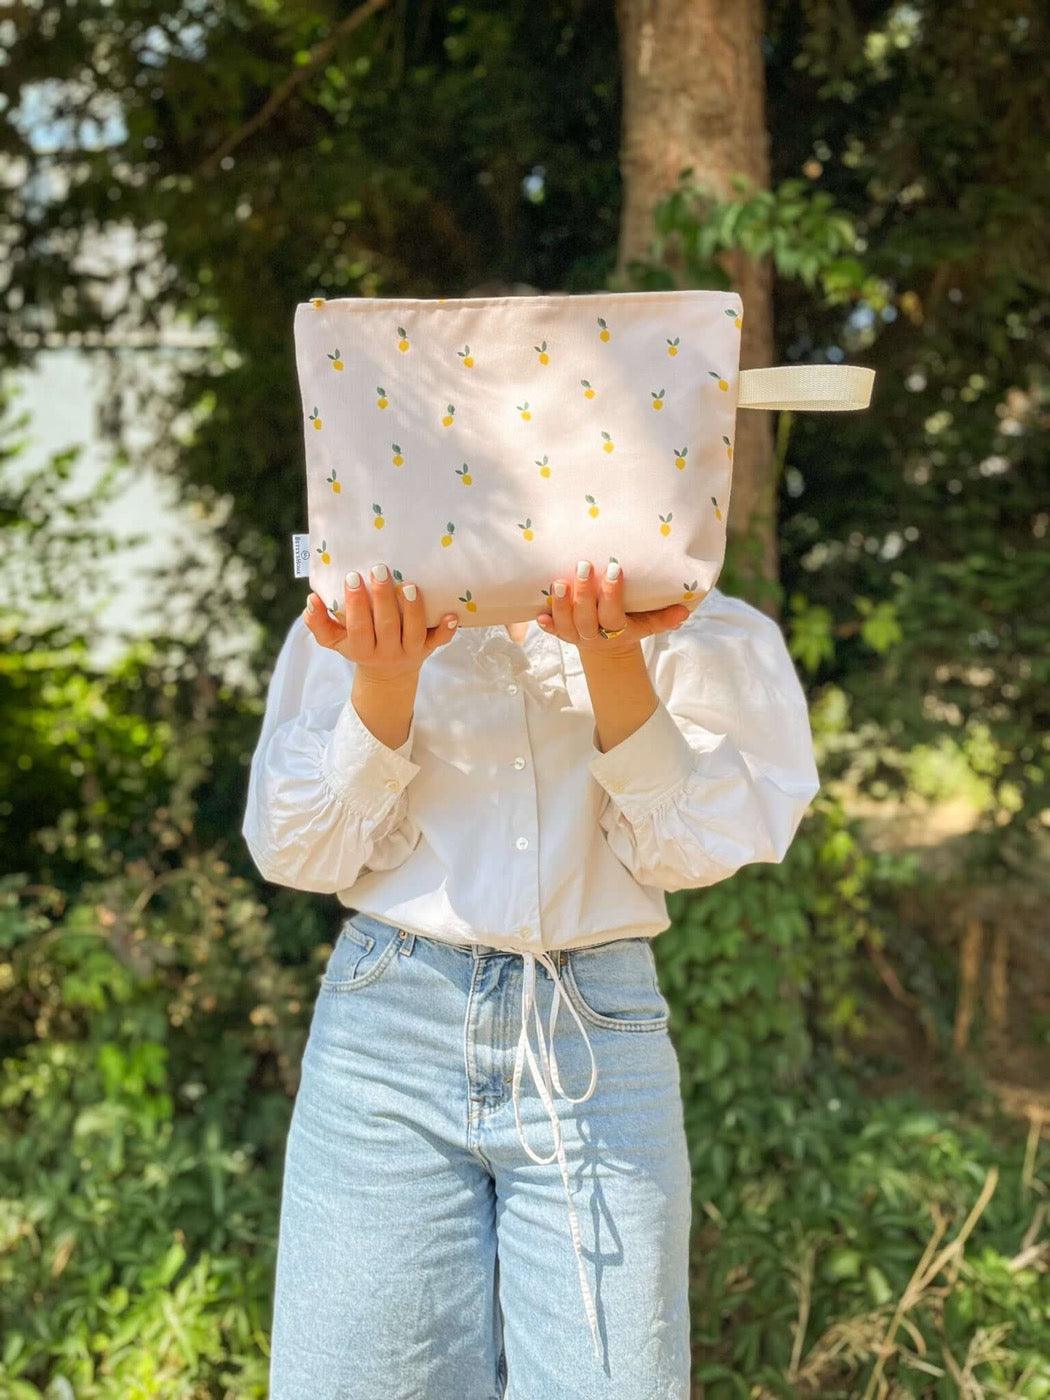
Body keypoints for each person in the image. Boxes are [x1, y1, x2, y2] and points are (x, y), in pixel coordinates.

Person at [242, 558, 820, 1399]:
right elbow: (299, 850)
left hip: (596, 1042)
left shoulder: (685, 615)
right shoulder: (363, 601)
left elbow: (687, 846)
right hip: (387, 1039)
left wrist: (614, 658)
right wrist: (385, 677)